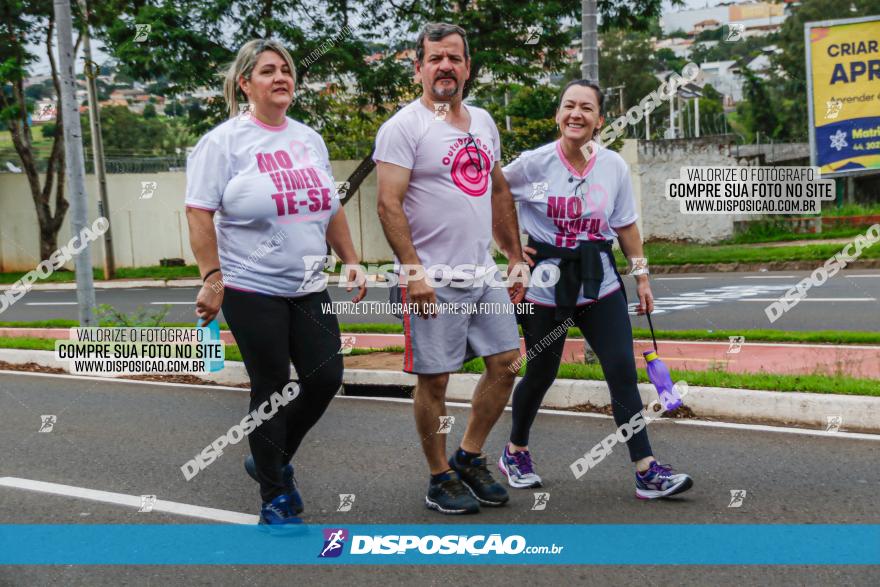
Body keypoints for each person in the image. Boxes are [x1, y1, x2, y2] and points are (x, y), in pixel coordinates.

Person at [185, 39, 366, 527]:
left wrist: (351, 259)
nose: (281, 77)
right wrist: (212, 278)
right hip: (251, 285)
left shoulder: (309, 138)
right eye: (268, 71)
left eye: (285, 69)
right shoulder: (223, 143)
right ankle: (275, 495)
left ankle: (268, 456)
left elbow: (329, 206)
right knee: (272, 386)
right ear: (246, 83)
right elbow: (199, 212)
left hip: (308, 284)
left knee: (326, 378)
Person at [498, 79, 693, 499]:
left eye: (586, 108)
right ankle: (515, 451)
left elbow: (625, 226)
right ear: (558, 115)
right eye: (569, 106)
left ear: (599, 120)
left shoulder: (612, 167)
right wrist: (512, 253)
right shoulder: (533, 166)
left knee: (621, 368)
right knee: (542, 372)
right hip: (545, 286)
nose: (576, 114)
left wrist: (641, 276)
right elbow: (493, 193)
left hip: (599, 282)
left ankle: (646, 469)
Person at [374, 23, 530, 515]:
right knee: (435, 381)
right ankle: (439, 476)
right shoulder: (403, 127)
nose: (446, 66)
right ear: (419, 67)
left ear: (467, 67)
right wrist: (414, 271)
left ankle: (469, 455)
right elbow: (387, 204)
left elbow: (498, 192)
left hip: (482, 272)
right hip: (432, 279)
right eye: (435, 58)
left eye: (455, 58)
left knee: (508, 363)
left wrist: (516, 256)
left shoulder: (483, 122)